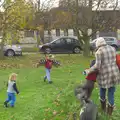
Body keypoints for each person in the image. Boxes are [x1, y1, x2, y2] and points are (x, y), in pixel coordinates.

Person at [85, 37, 120, 116]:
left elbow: (97, 66)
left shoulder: (98, 52)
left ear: (98, 44)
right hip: (114, 74)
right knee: (111, 92)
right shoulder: (112, 48)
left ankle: (103, 109)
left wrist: (89, 70)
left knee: (102, 91)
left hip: (104, 75)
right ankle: (109, 114)